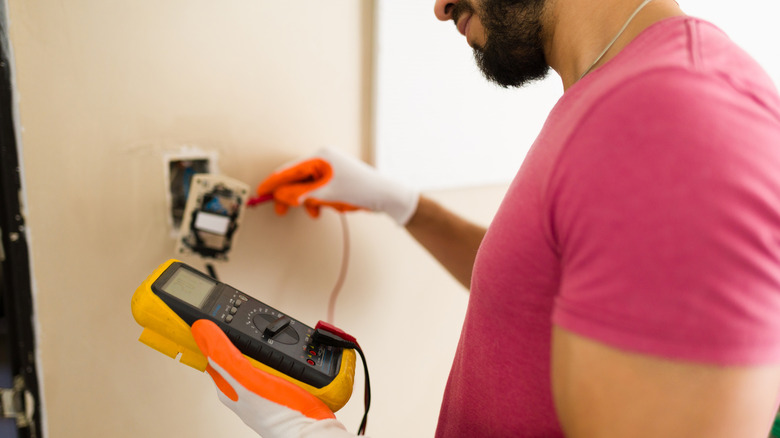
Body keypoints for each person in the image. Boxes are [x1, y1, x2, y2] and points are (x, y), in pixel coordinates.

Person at [190, 0, 780, 436]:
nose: (441, 8)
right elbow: (538, 294)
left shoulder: (668, 118)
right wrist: (404, 205)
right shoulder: (615, 93)